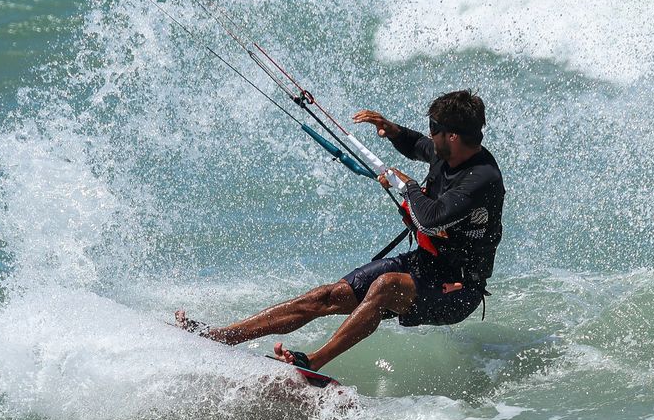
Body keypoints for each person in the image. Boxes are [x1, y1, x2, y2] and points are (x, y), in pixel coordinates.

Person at [175, 90, 505, 371]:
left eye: (434, 128)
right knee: (328, 295)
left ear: (453, 136)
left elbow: (432, 218)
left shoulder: (482, 179)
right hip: (425, 264)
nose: (429, 134)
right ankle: (222, 336)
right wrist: (391, 130)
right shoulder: (445, 153)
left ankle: (311, 363)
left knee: (386, 286)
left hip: (458, 290)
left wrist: (409, 188)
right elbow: (416, 144)